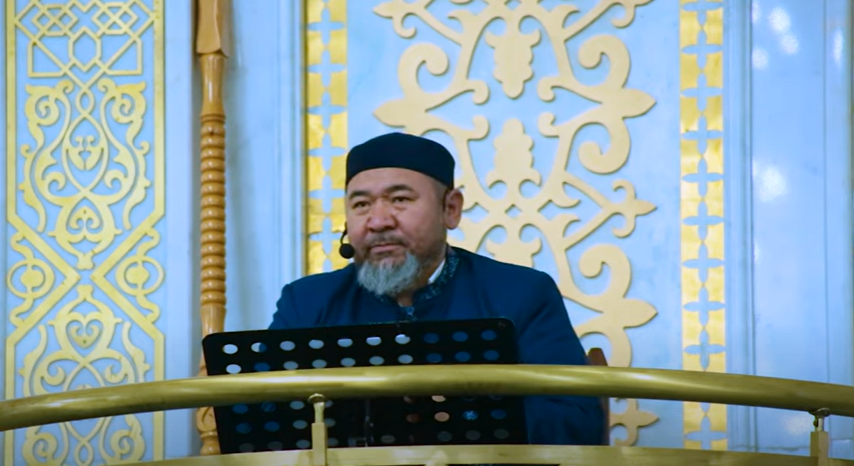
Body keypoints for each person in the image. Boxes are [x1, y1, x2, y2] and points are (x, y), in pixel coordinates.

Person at [269, 132, 606, 445]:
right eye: (361, 205)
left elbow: (576, 420)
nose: (378, 220)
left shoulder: (521, 293)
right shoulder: (307, 303)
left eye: (399, 199)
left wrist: (455, 416)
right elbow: (262, 414)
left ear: (450, 209)